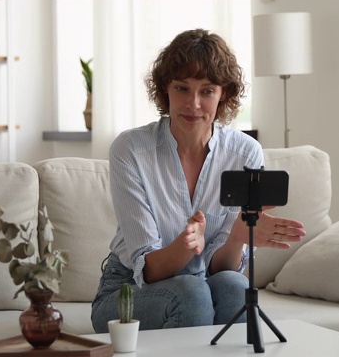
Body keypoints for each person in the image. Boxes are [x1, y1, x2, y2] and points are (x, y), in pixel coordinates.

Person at [91, 28, 306, 333]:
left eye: (206, 91)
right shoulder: (131, 150)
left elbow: (221, 270)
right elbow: (150, 271)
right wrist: (186, 246)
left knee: (233, 285)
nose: (193, 103)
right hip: (127, 291)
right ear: (165, 89)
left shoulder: (246, 152)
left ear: (224, 95)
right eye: (182, 88)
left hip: (203, 286)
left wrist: (237, 236)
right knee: (191, 293)